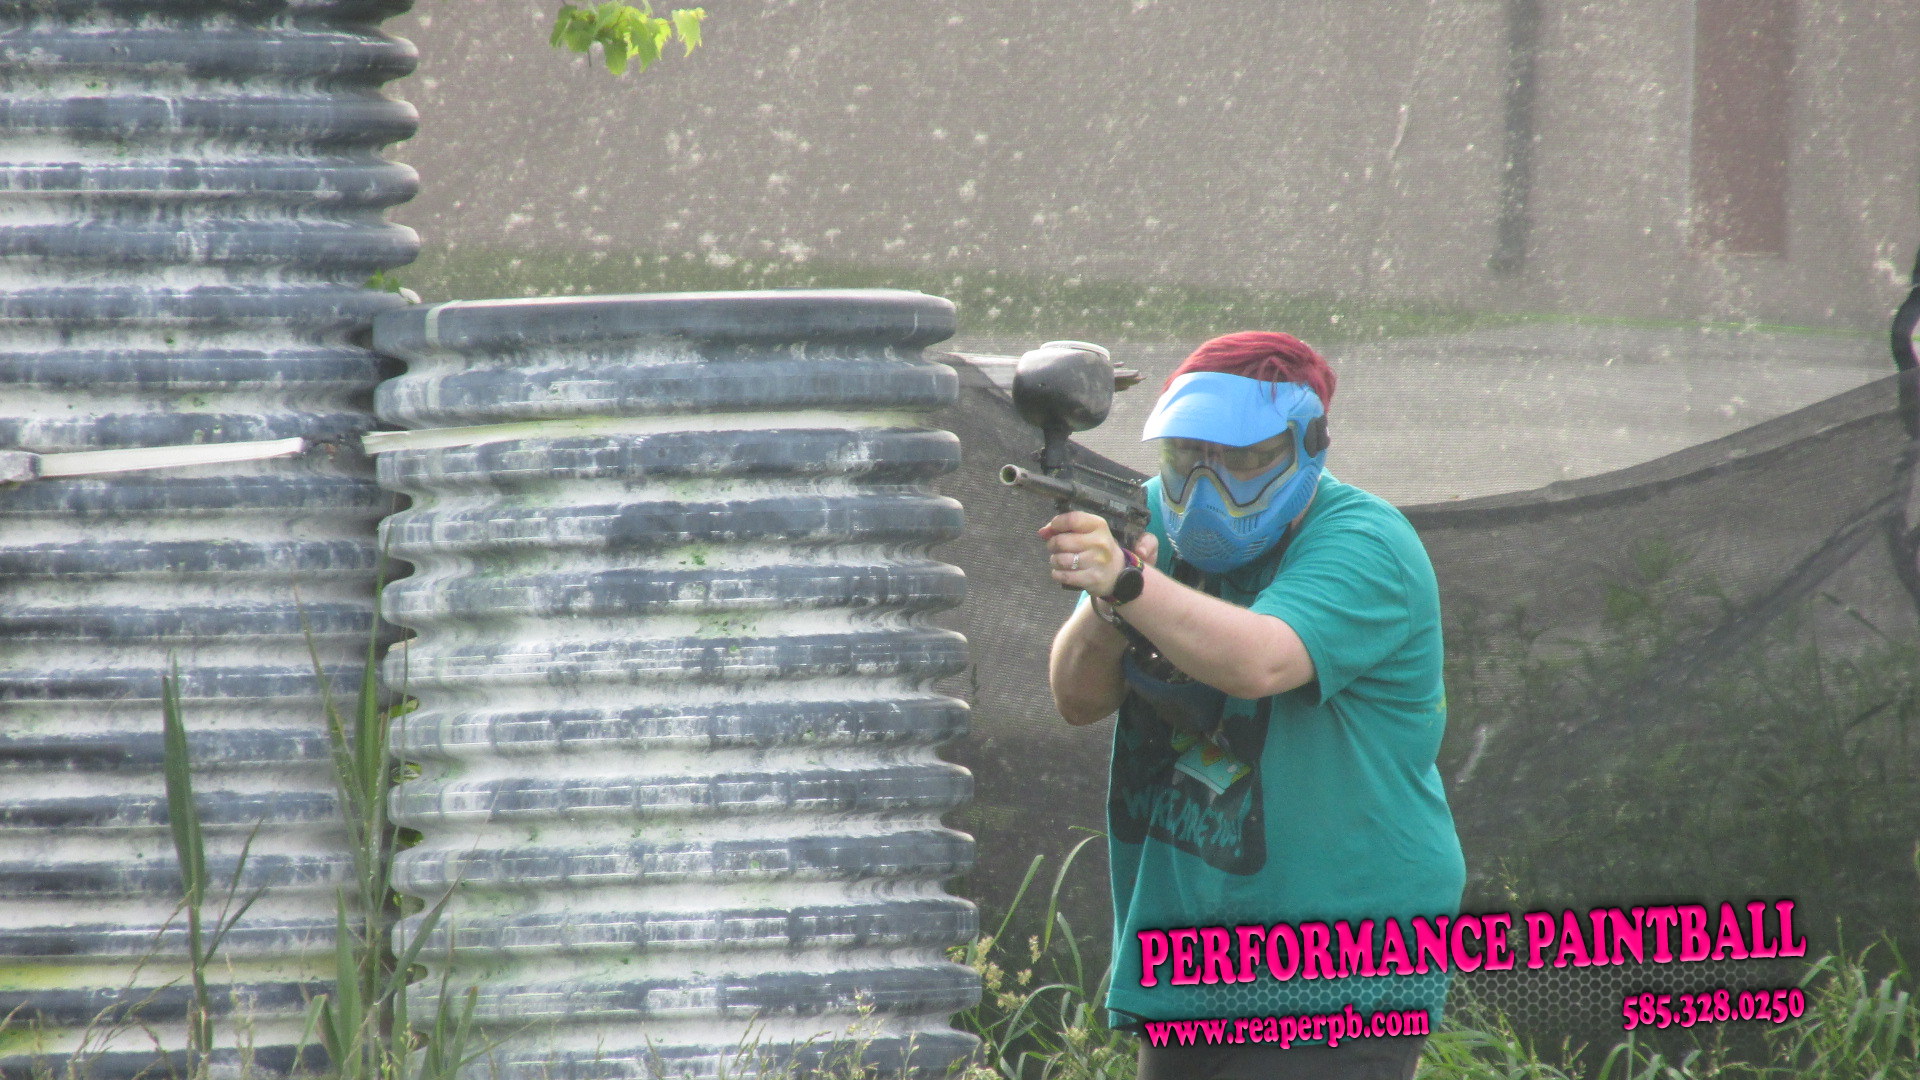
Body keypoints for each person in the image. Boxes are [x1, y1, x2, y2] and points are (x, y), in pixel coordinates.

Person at [1042, 331, 1465, 1080]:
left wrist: (1130, 585)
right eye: (1188, 457)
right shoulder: (1152, 519)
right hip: (1188, 954)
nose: (1209, 487)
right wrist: (1107, 603)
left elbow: (1258, 661)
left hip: (1340, 961)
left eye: (1244, 461)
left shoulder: (1366, 543)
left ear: (1307, 448)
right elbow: (1077, 697)